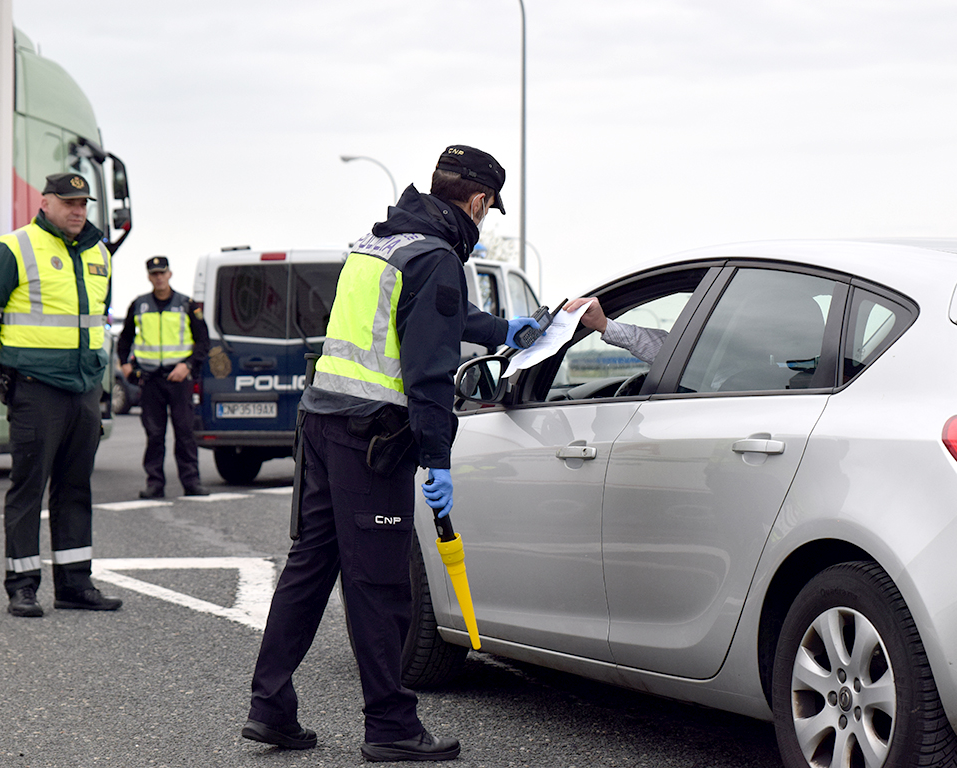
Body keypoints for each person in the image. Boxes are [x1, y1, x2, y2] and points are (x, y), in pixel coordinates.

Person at [242, 145, 542, 761]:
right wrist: (437, 458)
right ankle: (390, 726)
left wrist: (500, 331)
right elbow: (429, 371)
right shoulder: (436, 258)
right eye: (489, 210)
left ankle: (269, 707)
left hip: (323, 421)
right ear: (479, 201)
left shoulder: (381, 242)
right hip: (373, 438)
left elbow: (414, 320)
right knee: (379, 583)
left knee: (309, 567)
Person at [0, 173, 122, 617]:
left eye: (83, 202)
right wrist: (1, 370)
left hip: (84, 388)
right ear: (44, 202)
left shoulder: (100, 251)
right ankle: (22, 585)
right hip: (35, 386)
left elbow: (98, 321)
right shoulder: (13, 248)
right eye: (67, 201)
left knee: (75, 487)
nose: (78, 209)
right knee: (28, 488)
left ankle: (74, 583)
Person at [117, 256, 210, 498]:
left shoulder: (186, 304)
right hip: (150, 380)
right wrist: (125, 365)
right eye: (154, 274)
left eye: (162, 273)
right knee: (154, 434)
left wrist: (187, 366)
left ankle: (191, 482)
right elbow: (125, 338)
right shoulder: (139, 305)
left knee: (184, 432)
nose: (159, 277)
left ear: (170, 274)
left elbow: (203, 342)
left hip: (178, 378)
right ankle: (155, 484)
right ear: (149, 277)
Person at [565, 296, 668, 364]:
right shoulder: (676, 350)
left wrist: (604, 325)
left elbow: (666, 351)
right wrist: (603, 324)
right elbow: (666, 350)